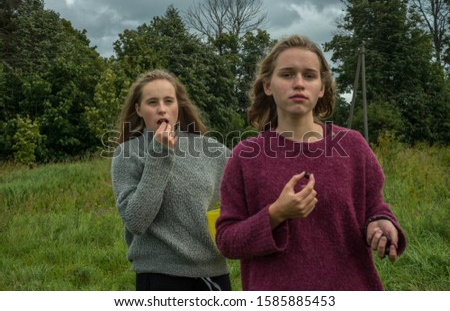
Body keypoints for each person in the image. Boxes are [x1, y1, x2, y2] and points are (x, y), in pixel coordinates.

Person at [215, 35, 407, 291]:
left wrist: (381, 224)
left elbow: (375, 207)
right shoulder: (245, 156)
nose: (298, 83)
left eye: (309, 75)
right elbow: (227, 241)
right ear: (267, 86)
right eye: (286, 74)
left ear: (322, 87)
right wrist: (276, 214)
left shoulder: (353, 146)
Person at [111, 69, 231, 291]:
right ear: (138, 109)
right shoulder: (127, 155)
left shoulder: (208, 149)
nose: (161, 109)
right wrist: (159, 153)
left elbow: (246, 184)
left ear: (178, 106)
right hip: (159, 275)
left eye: (168, 101)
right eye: (152, 102)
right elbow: (137, 220)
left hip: (214, 273)